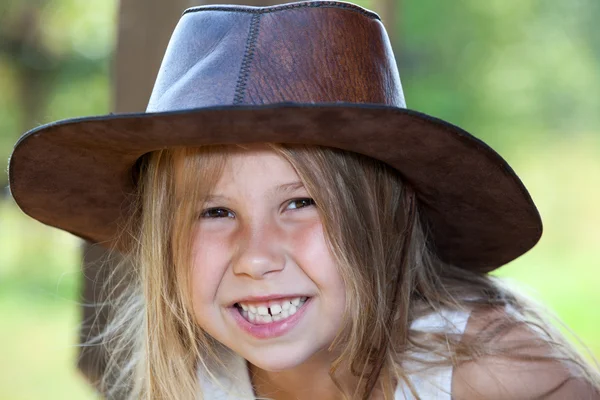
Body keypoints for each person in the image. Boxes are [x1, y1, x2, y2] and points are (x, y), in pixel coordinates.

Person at [8, 1, 600, 399]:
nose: (256, 257)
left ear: (381, 223)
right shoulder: (197, 376)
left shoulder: (492, 374)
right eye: (215, 213)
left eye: (301, 203)